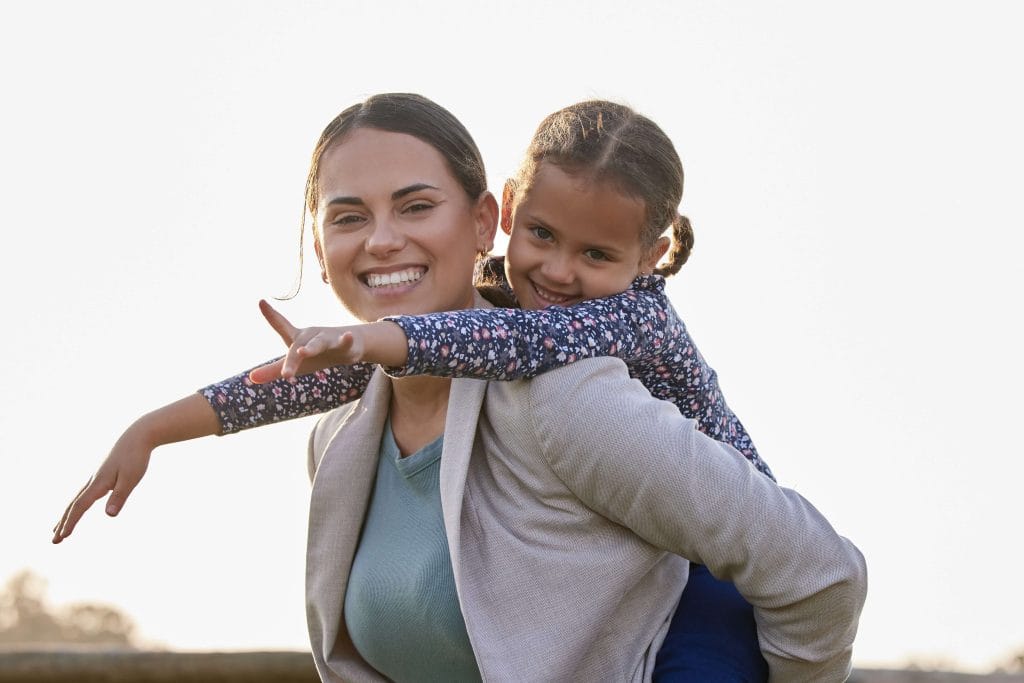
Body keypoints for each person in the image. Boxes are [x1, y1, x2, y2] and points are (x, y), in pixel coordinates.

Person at [54, 93, 866, 681]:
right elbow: (307, 383)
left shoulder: (577, 370)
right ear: (512, 218)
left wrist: (373, 338)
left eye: (415, 205)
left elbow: (821, 574)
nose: (382, 239)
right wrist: (154, 427)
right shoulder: (347, 431)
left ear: (481, 217)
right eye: (347, 215)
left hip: (714, 590)